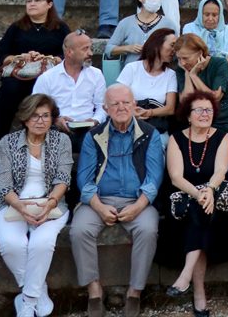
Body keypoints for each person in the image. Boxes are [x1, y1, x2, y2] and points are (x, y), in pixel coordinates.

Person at [71, 83, 164, 317]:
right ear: (105, 108)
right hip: (100, 199)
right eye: (115, 103)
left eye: (126, 102)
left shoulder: (149, 134)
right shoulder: (94, 136)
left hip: (138, 199)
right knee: (79, 230)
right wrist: (99, 207)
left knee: (147, 229)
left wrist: (139, 205)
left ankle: (134, 292)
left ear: (134, 105)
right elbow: (84, 177)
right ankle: (94, 291)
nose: (121, 107)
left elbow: (154, 176)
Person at [0, 93, 72, 317]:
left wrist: (50, 204)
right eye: (34, 116)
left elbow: (64, 177)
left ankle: (27, 303)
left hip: (51, 203)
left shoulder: (62, 141)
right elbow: (1, 181)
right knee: (11, 244)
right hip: (11, 204)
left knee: (42, 243)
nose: (40, 121)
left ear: (52, 119)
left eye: (45, 116)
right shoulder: (8, 143)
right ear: (24, 118)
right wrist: (20, 206)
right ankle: (36, 292)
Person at [156, 91, 228, 317]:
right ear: (188, 116)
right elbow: (176, 177)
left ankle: (187, 277)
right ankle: (198, 291)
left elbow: (221, 170)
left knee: (202, 214)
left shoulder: (222, 137)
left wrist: (209, 189)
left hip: (213, 196)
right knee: (197, 212)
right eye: (198, 110)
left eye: (208, 110)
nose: (204, 114)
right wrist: (199, 194)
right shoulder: (176, 139)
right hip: (182, 197)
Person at [0, 0, 70, 142]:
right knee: (9, 88)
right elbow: (1, 55)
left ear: (49, 4)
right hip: (20, 76)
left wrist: (50, 59)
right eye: (29, 1)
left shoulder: (60, 28)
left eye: (37, 0)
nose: (32, 4)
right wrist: (20, 57)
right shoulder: (16, 28)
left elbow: (68, 53)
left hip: (48, 76)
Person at [105, 0, 177, 70]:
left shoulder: (168, 24)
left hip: (158, 73)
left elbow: (176, 51)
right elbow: (109, 49)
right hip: (131, 74)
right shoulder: (126, 23)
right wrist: (128, 48)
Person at [174, 34, 228, 131]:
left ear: (200, 53)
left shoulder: (220, 63)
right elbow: (185, 101)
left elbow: (215, 97)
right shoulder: (181, 69)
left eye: (185, 58)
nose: (182, 63)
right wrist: (187, 73)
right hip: (191, 121)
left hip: (218, 120)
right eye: (179, 59)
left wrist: (194, 76)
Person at [182, 0, 228, 81]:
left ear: (220, 16)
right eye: (206, 14)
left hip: (223, 71)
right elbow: (189, 54)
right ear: (200, 14)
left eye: (215, 15)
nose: (210, 19)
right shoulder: (189, 28)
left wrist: (214, 67)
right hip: (198, 69)